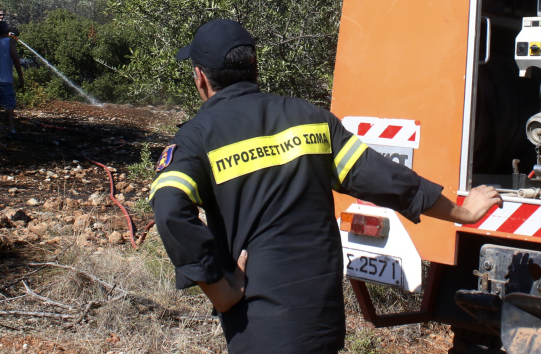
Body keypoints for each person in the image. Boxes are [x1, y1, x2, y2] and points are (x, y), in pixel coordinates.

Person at [150, 19, 501, 354]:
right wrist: (462, 212)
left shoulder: (197, 138)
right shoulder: (311, 119)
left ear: (201, 78)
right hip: (321, 316)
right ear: (254, 69)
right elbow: (387, 180)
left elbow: (168, 208)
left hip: (261, 326)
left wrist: (218, 289)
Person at [0, 19, 25, 135]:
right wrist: (21, 78)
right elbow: (16, 59)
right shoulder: (9, 42)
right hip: (5, 80)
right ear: (7, 31)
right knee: (9, 106)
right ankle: (12, 130)